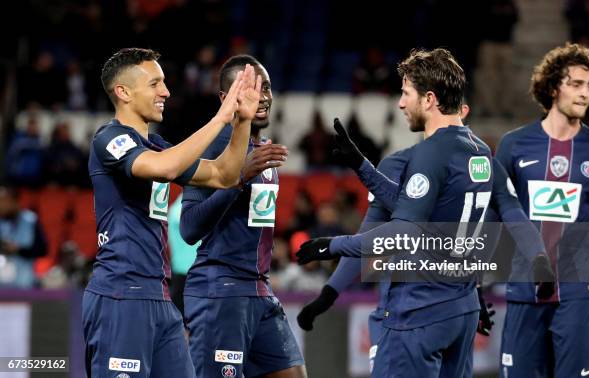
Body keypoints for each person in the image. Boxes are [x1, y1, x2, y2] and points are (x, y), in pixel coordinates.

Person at [297, 104, 554, 375]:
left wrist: (474, 288)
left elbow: (467, 236)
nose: (402, 104)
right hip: (408, 312)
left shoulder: (482, 166)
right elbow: (371, 235)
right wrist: (328, 294)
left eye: (408, 94)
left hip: (430, 310)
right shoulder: (399, 164)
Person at [296, 48, 493, 378]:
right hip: (461, 309)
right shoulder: (480, 151)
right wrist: (363, 168)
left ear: (429, 99)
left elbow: (404, 230)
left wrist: (332, 244)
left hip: (418, 311)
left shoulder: (428, 156)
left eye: (405, 93)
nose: (401, 103)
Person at [82, 47, 262, 378]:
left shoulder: (158, 145)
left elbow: (224, 175)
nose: (166, 91)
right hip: (121, 294)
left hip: (160, 297)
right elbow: (164, 170)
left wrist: (241, 122)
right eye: (155, 84)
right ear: (123, 92)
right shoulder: (108, 139)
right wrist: (219, 119)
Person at [180, 55, 306, 378]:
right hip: (220, 292)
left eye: (265, 87)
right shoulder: (213, 144)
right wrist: (238, 180)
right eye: (249, 87)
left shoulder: (260, 145)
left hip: (260, 291)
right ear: (225, 98)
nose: (261, 96)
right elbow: (189, 227)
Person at [496, 43, 589, 378]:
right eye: (575, 84)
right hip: (523, 289)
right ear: (552, 87)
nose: (585, 93)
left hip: (578, 292)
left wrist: (586, 258)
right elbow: (493, 213)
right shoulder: (513, 145)